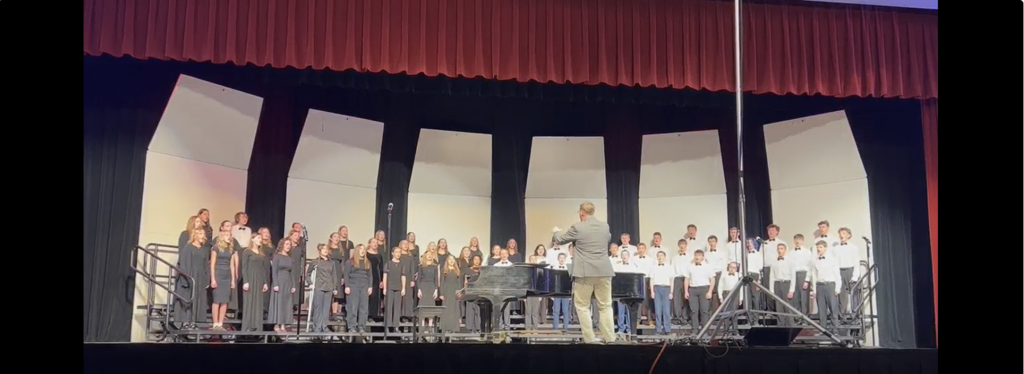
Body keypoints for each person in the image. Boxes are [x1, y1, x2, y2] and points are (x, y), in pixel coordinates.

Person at [551, 201, 615, 344]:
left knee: (582, 306)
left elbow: (560, 240)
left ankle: (590, 338)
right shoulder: (605, 227)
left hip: (585, 272)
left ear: (581, 213)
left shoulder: (578, 227)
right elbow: (608, 238)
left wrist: (555, 231)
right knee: (605, 306)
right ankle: (610, 338)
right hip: (604, 271)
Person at [239, 234, 270, 332]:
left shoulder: (261, 253)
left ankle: (257, 327)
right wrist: (246, 281)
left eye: (261, 238)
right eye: (258, 238)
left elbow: (263, 269)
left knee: (258, 303)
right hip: (250, 278)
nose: (260, 240)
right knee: (249, 302)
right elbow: (244, 267)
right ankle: (247, 326)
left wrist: (265, 282)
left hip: (260, 279)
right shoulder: (247, 252)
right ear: (252, 239)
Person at [808, 240, 842, 330]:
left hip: (830, 285)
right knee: (821, 309)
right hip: (820, 285)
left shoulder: (832, 259)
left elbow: (837, 274)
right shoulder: (815, 260)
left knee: (833, 307)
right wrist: (814, 290)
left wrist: (837, 288)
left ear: (825, 248)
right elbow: (814, 275)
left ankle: (835, 328)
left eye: (821, 247)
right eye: (817, 247)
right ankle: (823, 329)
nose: (819, 249)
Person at [306, 244, 340, 333]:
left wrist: (335, 287)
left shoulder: (331, 262)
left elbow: (334, 276)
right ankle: (317, 327)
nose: (325, 250)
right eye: (323, 249)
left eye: (326, 249)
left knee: (326, 308)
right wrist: (311, 283)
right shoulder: (315, 261)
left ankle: (324, 326)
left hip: (329, 287)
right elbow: (308, 274)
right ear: (319, 250)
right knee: (318, 308)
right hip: (319, 287)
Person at [269, 239, 297, 332]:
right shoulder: (277, 256)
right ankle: (277, 324)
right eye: (286, 244)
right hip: (279, 281)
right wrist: (275, 284)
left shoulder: (290, 258)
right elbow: (274, 271)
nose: (288, 246)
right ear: (282, 245)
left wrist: (293, 285)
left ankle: (283, 324)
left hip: (287, 282)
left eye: (289, 244)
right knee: (279, 302)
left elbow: (292, 273)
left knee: (286, 303)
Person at [344, 245, 373, 333]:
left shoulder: (367, 262)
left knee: (363, 308)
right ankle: (352, 327)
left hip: (364, 285)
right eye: (361, 249)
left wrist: (370, 286)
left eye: (364, 249)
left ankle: (361, 327)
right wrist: (347, 286)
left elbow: (370, 275)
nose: (363, 251)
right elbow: (346, 274)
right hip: (353, 285)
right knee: (353, 307)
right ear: (357, 251)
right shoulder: (350, 262)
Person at [684, 250, 715, 332]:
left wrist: (710, 291)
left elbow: (712, 279)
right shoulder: (690, 266)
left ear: (702, 257)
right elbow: (686, 279)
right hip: (693, 289)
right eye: (696, 255)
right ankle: (695, 329)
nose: (697, 257)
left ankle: (705, 330)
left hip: (704, 289)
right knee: (693, 311)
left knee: (704, 310)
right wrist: (686, 291)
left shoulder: (708, 266)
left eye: (699, 255)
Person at [770, 243, 797, 326]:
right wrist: (771, 290)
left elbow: (793, 276)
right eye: (778, 249)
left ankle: (790, 326)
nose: (779, 250)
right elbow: (772, 276)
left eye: (781, 248)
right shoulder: (774, 261)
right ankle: (780, 325)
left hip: (786, 284)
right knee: (779, 307)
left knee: (788, 307)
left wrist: (791, 290)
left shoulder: (790, 261)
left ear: (785, 250)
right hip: (777, 284)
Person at [382, 247, 406, 332]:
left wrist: (403, 288)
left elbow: (403, 276)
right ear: (392, 253)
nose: (398, 254)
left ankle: (396, 325)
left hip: (398, 287)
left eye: (399, 252)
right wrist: (384, 288)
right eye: (396, 252)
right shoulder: (388, 264)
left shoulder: (402, 264)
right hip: (389, 287)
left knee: (397, 307)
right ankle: (387, 326)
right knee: (388, 306)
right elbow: (385, 276)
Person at [650, 251, 673, 335]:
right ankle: (658, 329)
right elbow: (651, 280)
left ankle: (667, 329)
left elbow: (671, 280)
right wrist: (652, 291)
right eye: (658, 256)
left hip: (666, 288)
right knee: (658, 310)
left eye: (661, 256)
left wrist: (671, 292)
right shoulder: (654, 267)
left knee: (666, 310)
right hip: (657, 288)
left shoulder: (669, 267)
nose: (660, 257)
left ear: (664, 257)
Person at [550, 253, 572, 331]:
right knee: (556, 310)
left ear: (565, 259)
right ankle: (555, 328)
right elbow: (552, 281)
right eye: (560, 258)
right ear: (558, 259)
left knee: (565, 311)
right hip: (557, 292)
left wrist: (570, 294)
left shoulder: (569, 269)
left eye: (563, 258)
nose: (562, 259)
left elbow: (571, 282)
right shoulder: (554, 268)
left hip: (565, 292)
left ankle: (566, 327)